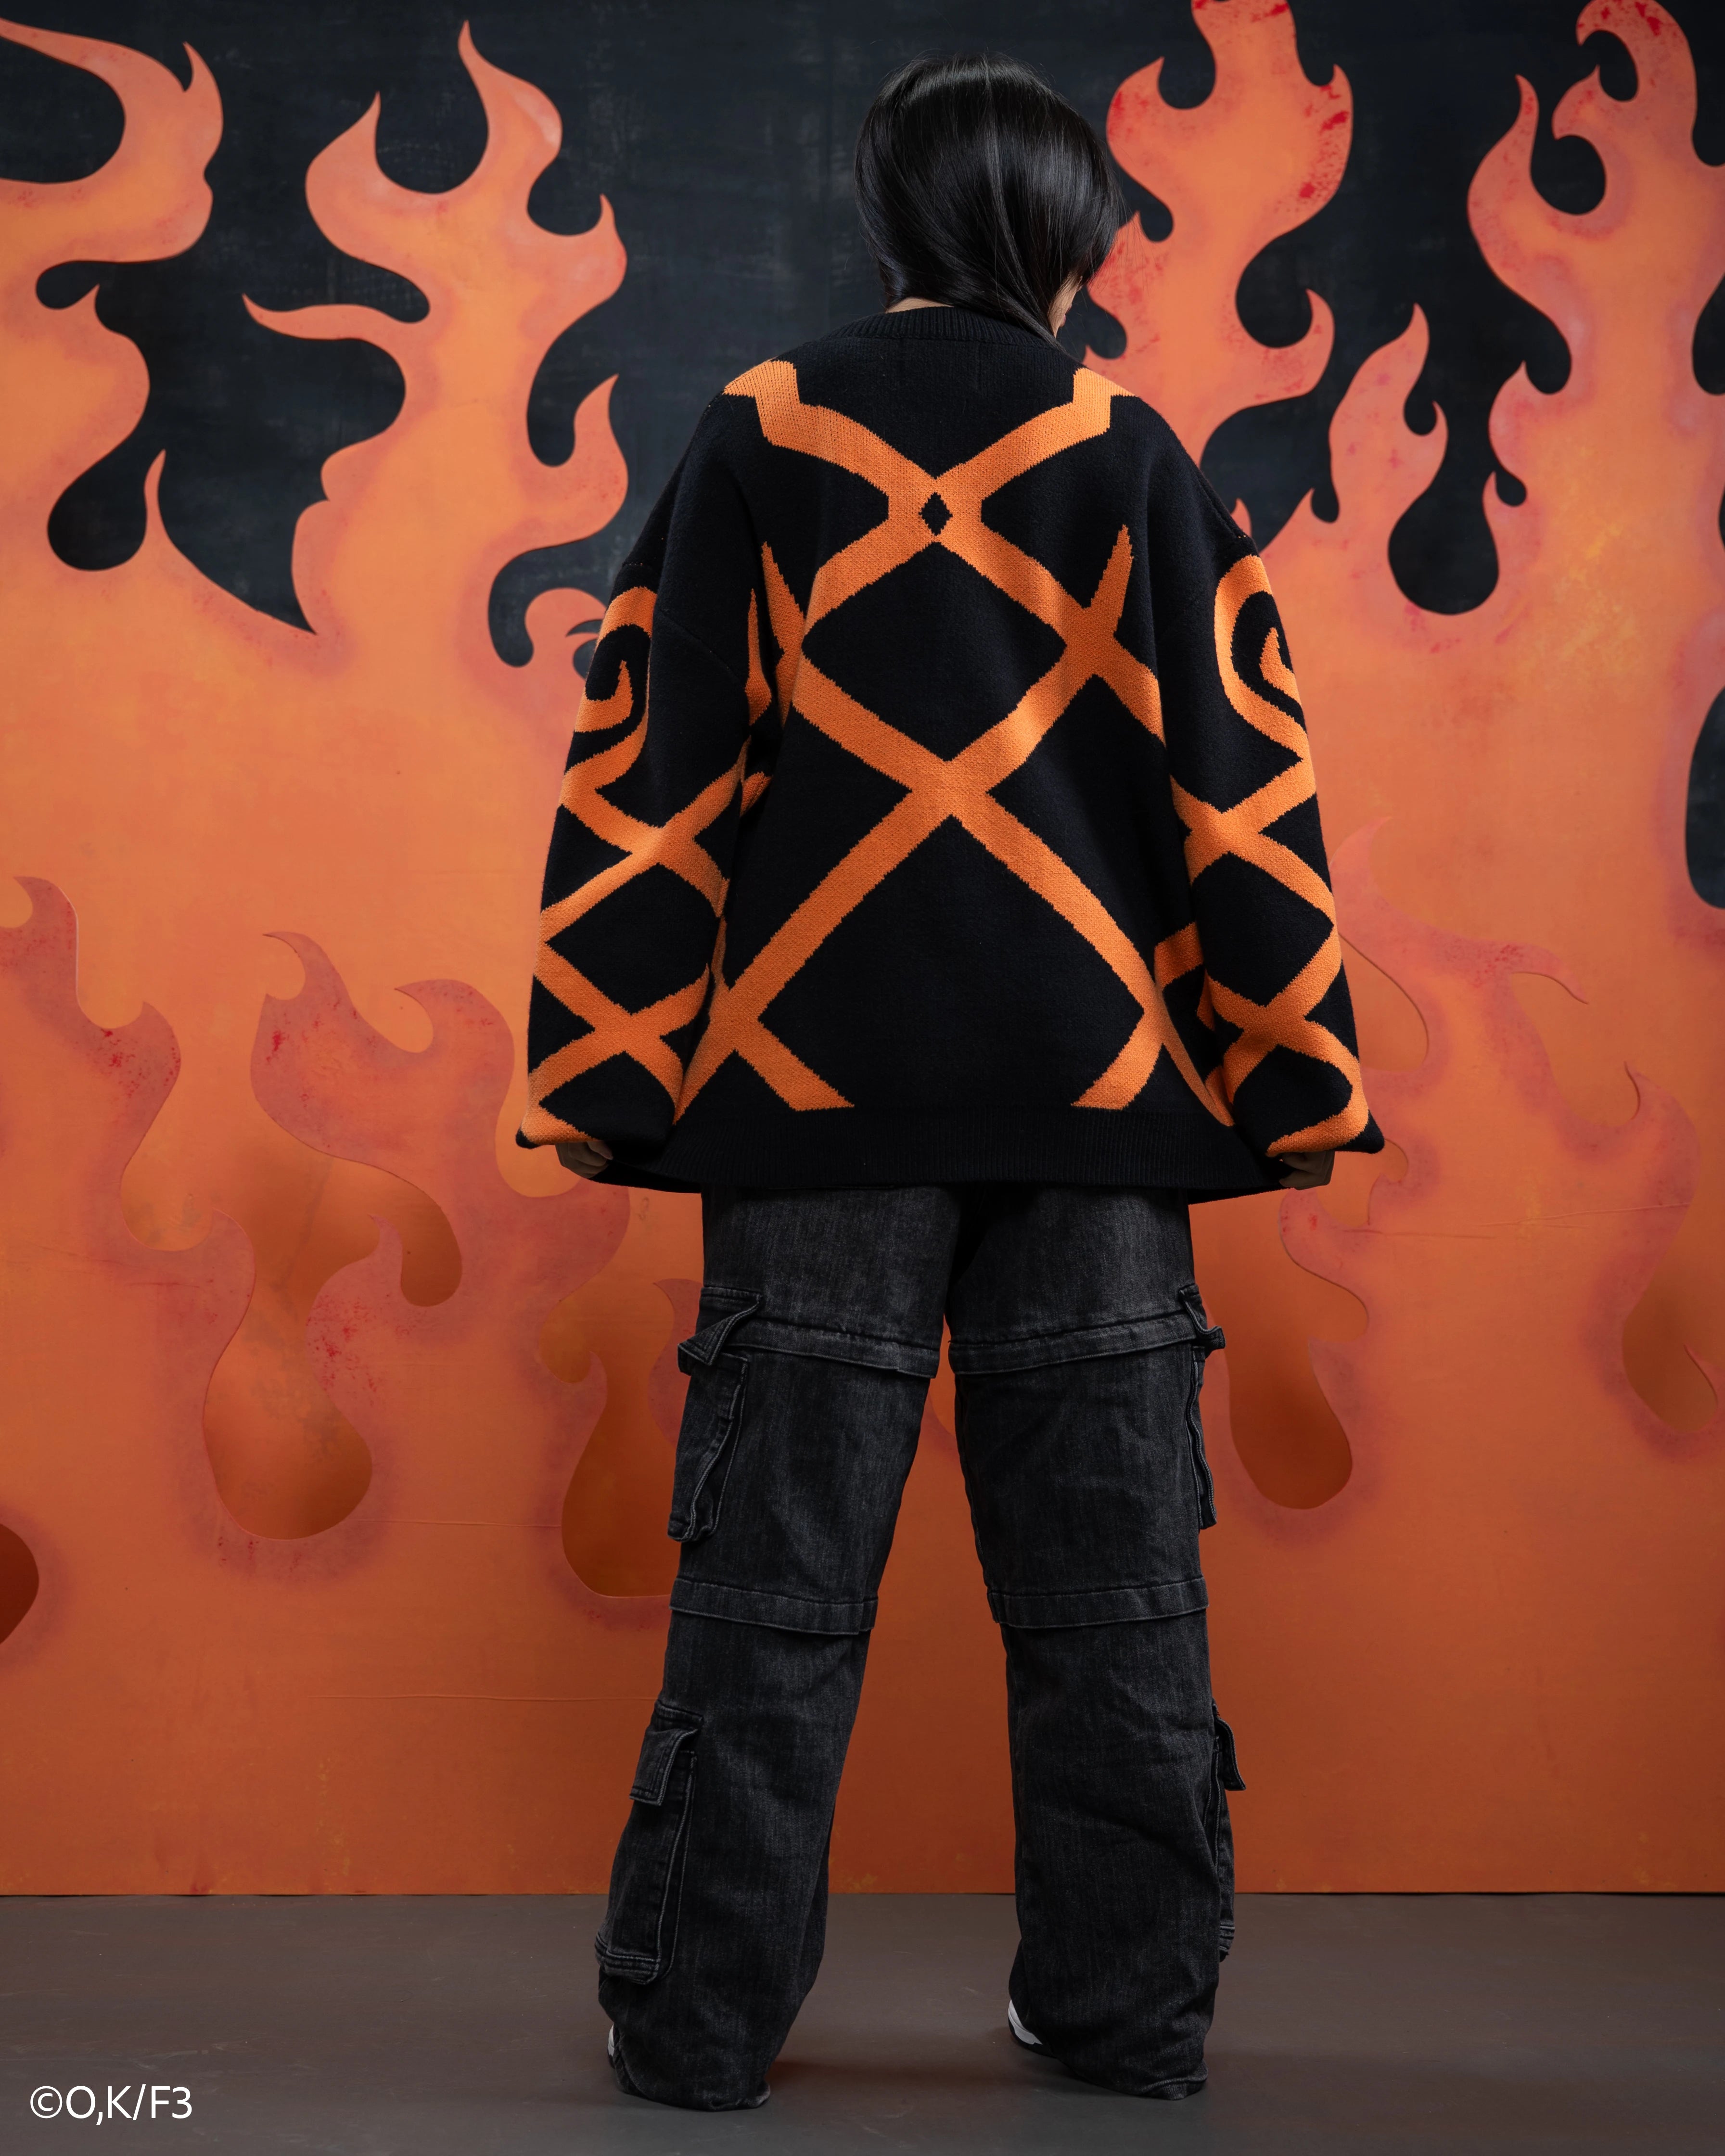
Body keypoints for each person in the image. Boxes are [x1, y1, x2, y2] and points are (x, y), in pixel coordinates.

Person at [516, 49, 1380, 2110]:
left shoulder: (766, 427)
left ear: (887, 216)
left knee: (773, 1594)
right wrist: (1293, 1075)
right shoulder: (1132, 451)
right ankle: (1125, 2012)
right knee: (1114, 1600)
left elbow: (655, 763)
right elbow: (1239, 779)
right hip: (1101, 1105)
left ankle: (696, 2024)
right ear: (1074, 237)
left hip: (815, 1103)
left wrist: (606, 1069)